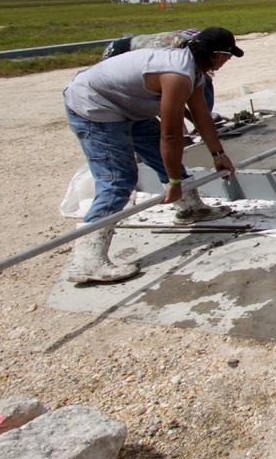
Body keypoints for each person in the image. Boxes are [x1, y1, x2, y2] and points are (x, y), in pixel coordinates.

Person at [62, 27, 243, 284]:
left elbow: (202, 117)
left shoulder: (194, 72)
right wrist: (174, 182)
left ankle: (190, 209)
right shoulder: (178, 75)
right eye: (228, 56)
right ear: (216, 55)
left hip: (126, 105)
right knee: (118, 180)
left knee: (164, 159)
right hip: (95, 107)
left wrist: (218, 154)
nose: (227, 62)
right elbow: (170, 135)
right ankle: (87, 260)